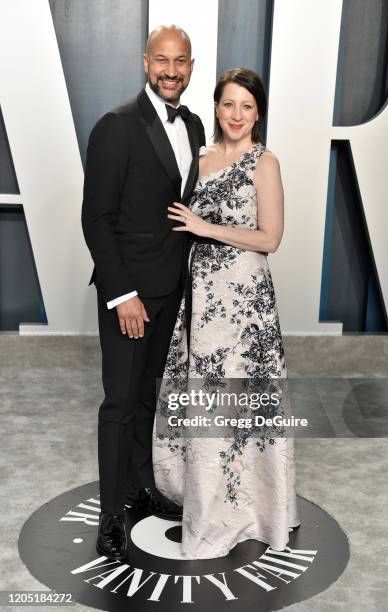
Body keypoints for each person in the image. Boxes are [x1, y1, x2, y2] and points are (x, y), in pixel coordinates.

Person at [153, 67, 300, 559]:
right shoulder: (199, 157)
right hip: (201, 299)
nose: (236, 115)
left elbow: (270, 239)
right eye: (228, 104)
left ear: (258, 113)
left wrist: (204, 226)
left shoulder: (265, 162)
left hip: (245, 307)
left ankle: (255, 512)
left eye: (247, 107)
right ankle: (208, 509)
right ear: (215, 107)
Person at [81, 25, 205, 561]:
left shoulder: (197, 125)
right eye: (161, 60)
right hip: (130, 294)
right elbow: (97, 219)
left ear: (192, 66)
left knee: (151, 400)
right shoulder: (117, 126)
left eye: (180, 61)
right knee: (120, 403)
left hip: (174, 287)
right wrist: (122, 294)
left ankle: (140, 487)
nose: (170, 70)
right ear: (145, 62)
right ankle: (111, 516)